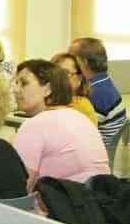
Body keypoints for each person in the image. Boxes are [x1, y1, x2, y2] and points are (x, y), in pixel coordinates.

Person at [12, 59, 109, 192]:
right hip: (98, 204)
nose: (15, 90)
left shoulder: (35, 125)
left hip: (63, 208)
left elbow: (19, 188)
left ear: (47, 89)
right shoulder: (79, 117)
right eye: (15, 83)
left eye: (24, 83)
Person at [70, 37, 127, 169]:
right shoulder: (104, 81)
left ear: (83, 62)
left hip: (95, 154)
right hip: (102, 146)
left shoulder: (94, 92)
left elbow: (76, 132)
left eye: (71, 58)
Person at [50, 53, 98, 125]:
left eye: (65, 73)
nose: (58, 78)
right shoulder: (47, 100)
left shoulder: (83, 107)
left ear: (79, 79)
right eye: (54, 73)